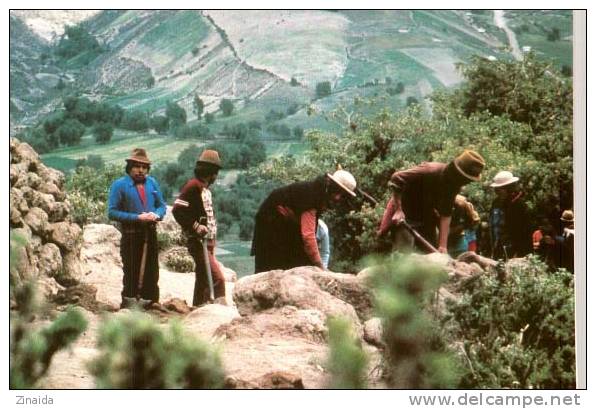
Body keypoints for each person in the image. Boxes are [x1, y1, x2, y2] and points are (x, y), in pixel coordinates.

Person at [377, 149, 485, 253]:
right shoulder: (430, 170)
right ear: (458, 172)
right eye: (466, 179)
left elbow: (446, 213)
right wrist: (399, 210)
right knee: (403, 254)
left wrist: (443, 246)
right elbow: (396, 178)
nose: (467, 182)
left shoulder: (453, 186)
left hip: (426, 218)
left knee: (432, 254)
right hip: (405, 216)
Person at [251, 170, 357, 273]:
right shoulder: (313, 195)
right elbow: (308, 237)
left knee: (300, 261)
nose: (338, 197)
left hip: (282, 223)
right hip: (270, 221)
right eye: (337, 191)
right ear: (331, 184)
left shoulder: (318, 193)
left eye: (342, 195)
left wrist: (294, 220)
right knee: (273, 266)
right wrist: (321, 268)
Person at [108, 148, 167, 308]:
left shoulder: (152, 183)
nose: (141, 170)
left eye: (144, 167)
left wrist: (156, 215)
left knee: (152, 270)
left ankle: (151, 303)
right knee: (131, 270)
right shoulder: (120, 185)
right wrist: (137, 218)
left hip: (150, 233)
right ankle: (129, 303)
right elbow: (112, 212)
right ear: (130, 167)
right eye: (137, 166)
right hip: (131, 235)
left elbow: (161, 206)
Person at [172, 150, 226, 306]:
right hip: (198, 241)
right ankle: (219, 309)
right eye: (215, 172)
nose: (216, 177)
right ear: (211, 172)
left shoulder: (204, 188)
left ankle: (198, 306)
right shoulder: (193, 186)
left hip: (208, 242)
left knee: (203, 277)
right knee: (218, 278)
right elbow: (178, 210)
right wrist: (196, 226)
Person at [488, 170, 532, 259]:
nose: (498, 192)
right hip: (498, 247)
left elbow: (525, 232)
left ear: (509, 188)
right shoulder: (496, 203)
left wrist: (519, 252)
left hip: (516, 250)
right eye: (497, 189)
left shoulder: (520, 205)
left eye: (501, 189)